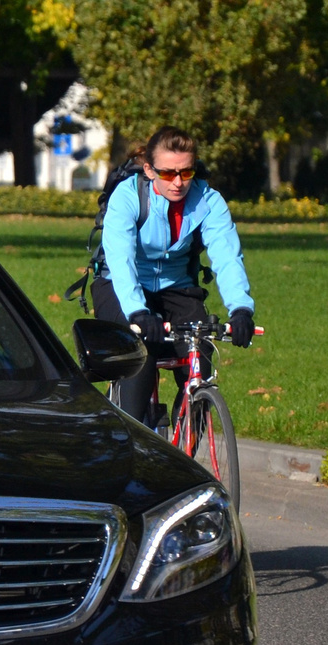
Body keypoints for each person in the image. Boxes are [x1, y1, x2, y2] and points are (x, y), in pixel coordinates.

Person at [92, 126, 255, 426]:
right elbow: (121, 259)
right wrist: (138, 312)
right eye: (168, 173)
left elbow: (227, 255)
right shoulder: (127, 197)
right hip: (120, 285)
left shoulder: (208, 201)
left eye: (186, 172)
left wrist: (241, 309)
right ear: (149, 170)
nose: (178, 182)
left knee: (201, 353)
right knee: (141, 355)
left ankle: (186, 444)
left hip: (176, 287)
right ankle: (134, 437)